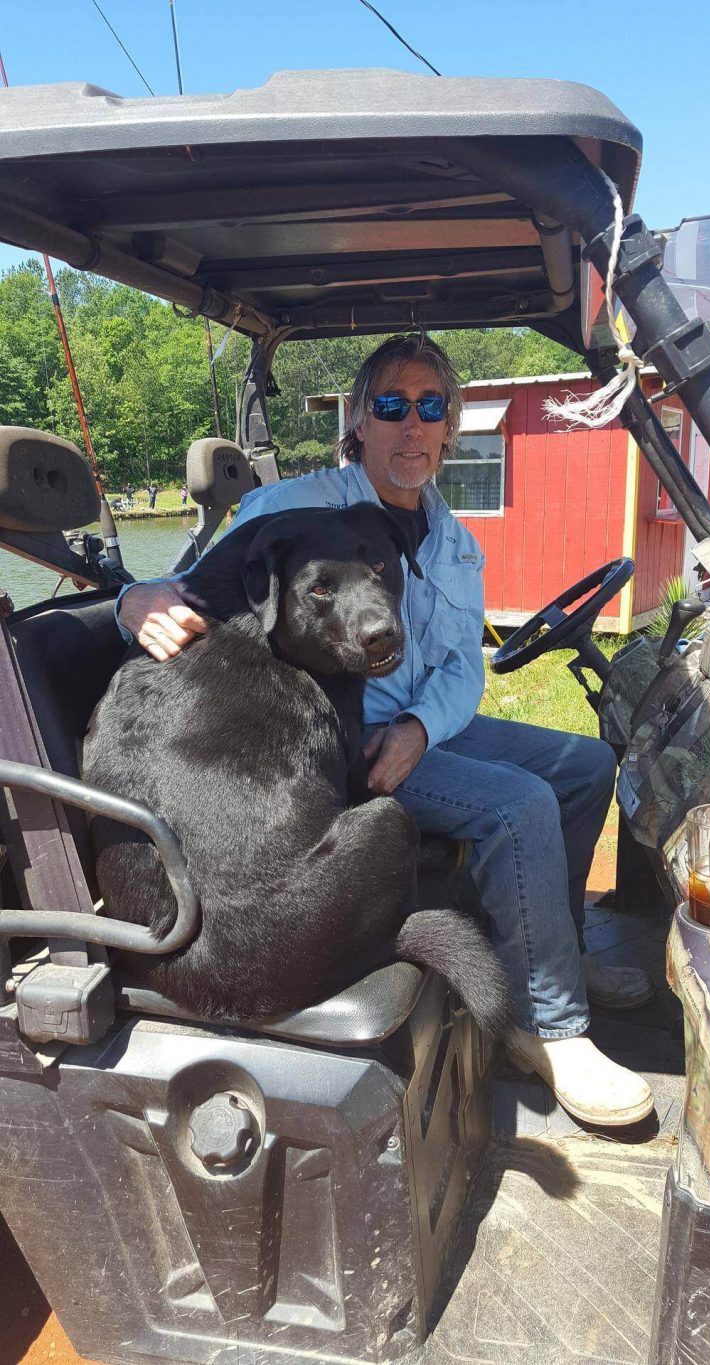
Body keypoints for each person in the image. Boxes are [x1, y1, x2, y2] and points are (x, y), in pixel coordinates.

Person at [117, 333, 654, 1127]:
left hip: (411, 733)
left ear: (450, 428)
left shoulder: (454, 545)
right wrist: (134, 600)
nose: (411, 425)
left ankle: (556, 950)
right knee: (520, 804)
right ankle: (549, 1028)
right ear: (359, 425)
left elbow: (461, 673)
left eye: (429, 408)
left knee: (583, 762)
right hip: (335, 748)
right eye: (391, 406)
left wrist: (417, 730)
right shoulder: (289, 511)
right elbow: (187, 587)